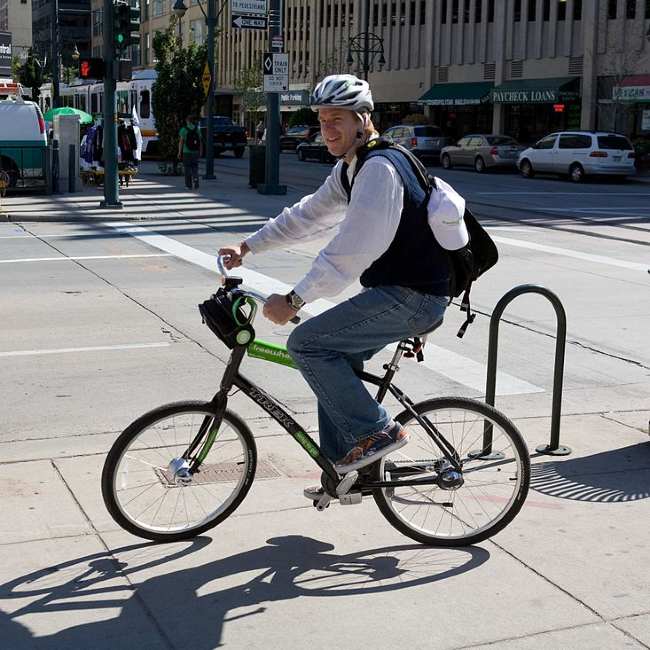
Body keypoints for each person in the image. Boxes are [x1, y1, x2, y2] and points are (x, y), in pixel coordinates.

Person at [219, 74, 462, 500]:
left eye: (337, 119)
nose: (326, 128)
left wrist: (295, 299)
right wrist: (248, 245)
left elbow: (353, 250)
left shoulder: (380, 168)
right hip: (397, 293)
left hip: (414, 296)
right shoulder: (353, 166)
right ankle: (344, 472)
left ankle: (377, 431)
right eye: (321, 119)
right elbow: (308, 215)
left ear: (363, 119)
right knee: (333, 357)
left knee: (307, 344)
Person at [178, 115, 202, 190]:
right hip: (195, 152)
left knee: (187, 168)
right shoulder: (197, 129)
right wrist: (200, 151)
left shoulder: (184, 129)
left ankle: (188, 185)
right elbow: (200, 141)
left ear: (187, 121)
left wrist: (179, 152)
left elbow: (181, 142)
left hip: (186, 152)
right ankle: (196, 183)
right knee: (195, 167)